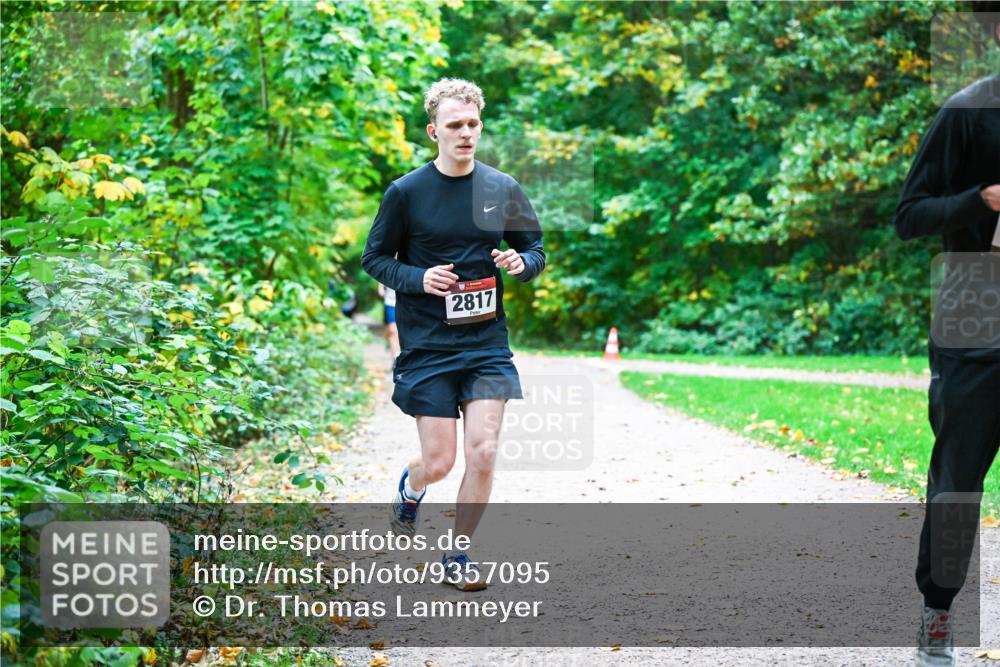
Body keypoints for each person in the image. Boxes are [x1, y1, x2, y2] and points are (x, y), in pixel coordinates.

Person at [361, 78, 545, 591]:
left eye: (473, 125)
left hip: (486, 345)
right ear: (433, 131)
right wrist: (419, 278)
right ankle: (410, 486)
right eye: (454, 126)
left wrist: (519, 263)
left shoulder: (502, 188)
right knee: (440, 463)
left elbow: (535, 252)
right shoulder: (406, 192)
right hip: (428, 347)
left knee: (484, 450)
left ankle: (458, 554)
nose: (465, 134)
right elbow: (373, 259)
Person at [893, 5, 1000, 665]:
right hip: (976, 307)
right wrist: (980, 199)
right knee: (959, 473)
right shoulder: (968, 110)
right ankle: (939, 611)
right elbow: (909, 216)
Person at [379, 283, 401, 359]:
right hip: (390, 303)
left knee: (400, 332)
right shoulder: (388, 271)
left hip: (404, 305)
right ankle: (395, 358)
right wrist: (381, 290)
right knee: (392, 331)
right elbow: (380, 290)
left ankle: (401, 355)